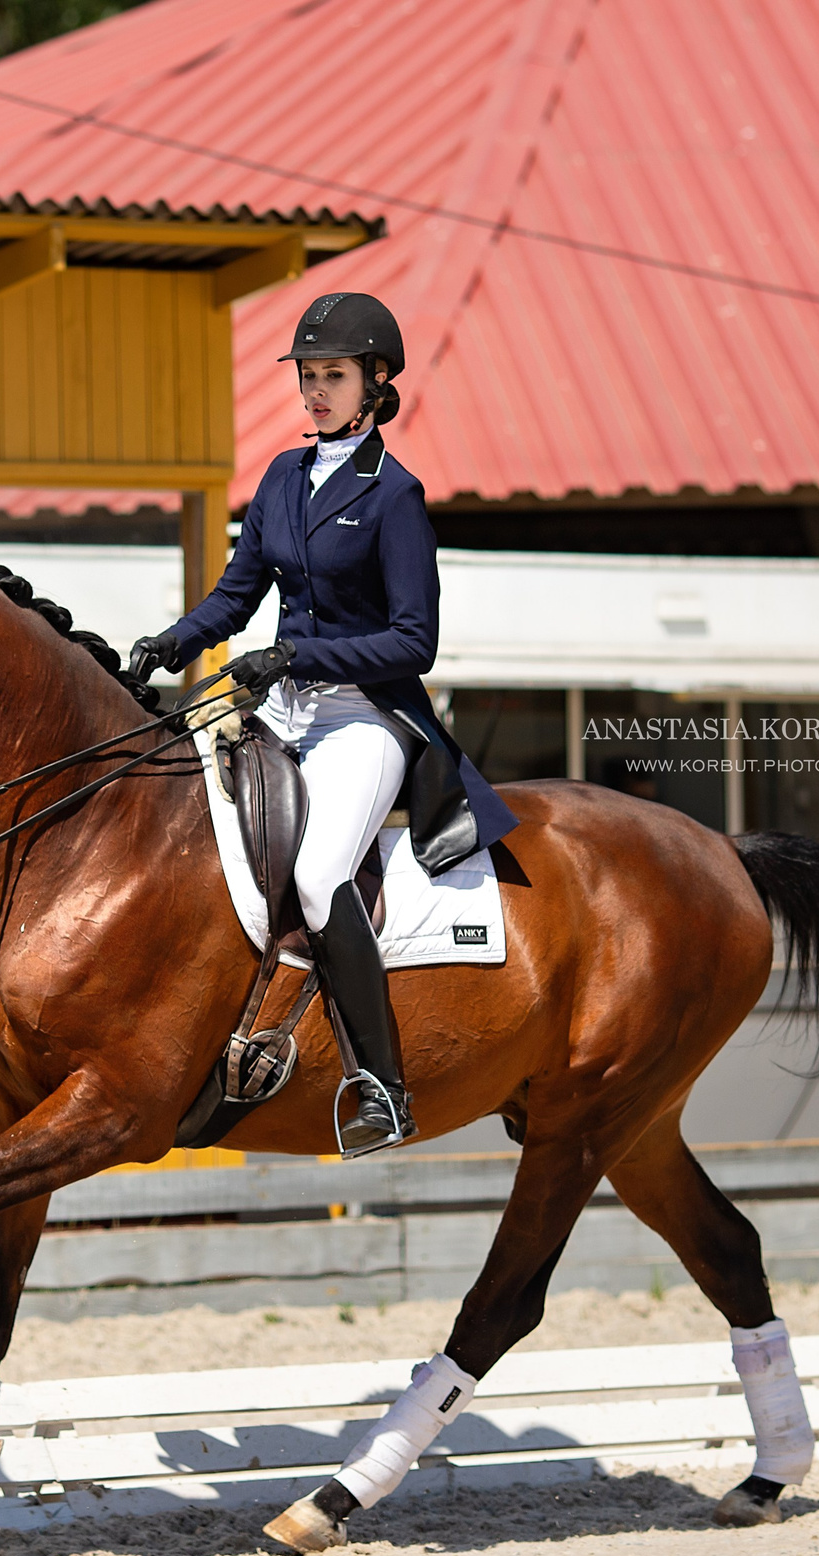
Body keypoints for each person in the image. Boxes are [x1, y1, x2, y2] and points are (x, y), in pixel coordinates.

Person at [128, 291, 517, 1156]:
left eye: (332, 376)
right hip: (279, 708)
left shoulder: (395, 496)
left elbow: (414, 641)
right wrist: (170, 641)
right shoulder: (280, 476)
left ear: (375, 382)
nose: (314, 391)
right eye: (307, 375)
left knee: (316, 874)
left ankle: (382, 1084)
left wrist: (297, 655)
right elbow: (238, 594)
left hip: (363, 718)